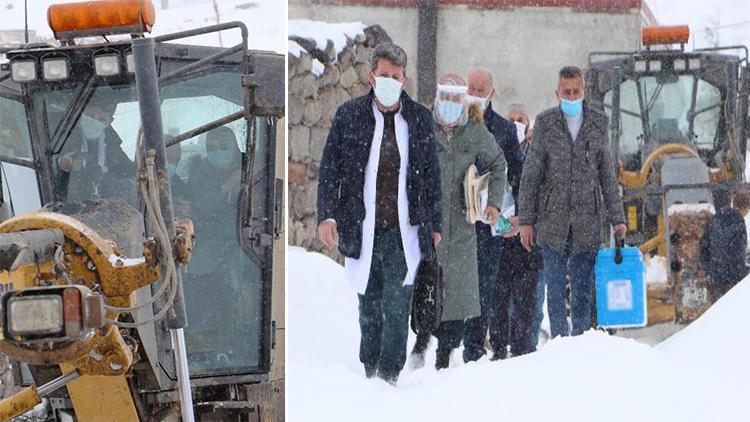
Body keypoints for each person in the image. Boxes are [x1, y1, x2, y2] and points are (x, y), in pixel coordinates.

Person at [316, 43, 441, 385]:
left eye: (396, 77)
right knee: (368, 305)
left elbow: (431, 175)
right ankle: (369, 368)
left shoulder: (418, 119)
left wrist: (435, 224)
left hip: (404, 230)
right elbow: (331, 170)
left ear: (405, 79)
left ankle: (388, 374)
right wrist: (326, 216)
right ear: (372, 76)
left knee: (398, 305)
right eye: (384, 75)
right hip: (363, 226)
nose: (390, 81)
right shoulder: (350, 116)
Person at [518, 66, 626, 338]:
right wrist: (526, 221)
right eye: (566, 92)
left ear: (584, 92)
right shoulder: (545, 123)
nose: (571, 96)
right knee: (554, 291)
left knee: (583, 291)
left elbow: (607, 177)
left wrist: (619, 219)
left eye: (576, 91)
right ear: (558, 93)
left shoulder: (599, 124)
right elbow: (531, 175)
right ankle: (557, 343)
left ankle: (580, 342)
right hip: (552, 223)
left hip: (587, 222)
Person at [426, 73, 505, 369]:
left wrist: (494, 203)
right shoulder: (426, 127)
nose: (449, 104)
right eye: (444, 96)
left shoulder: (474, 130)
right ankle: (425, 343)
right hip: (429, 225)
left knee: (458, 293)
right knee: (429, 288)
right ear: (437, 97)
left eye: (455, 97)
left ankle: (445, 353)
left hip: (461, 224)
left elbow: (498, 164)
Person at [458, 67, 524, 362]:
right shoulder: (453, 121)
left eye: (481, 89)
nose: (475, 93)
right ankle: (446, 343)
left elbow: (518, 175)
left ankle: (473, 347)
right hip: (457, 221)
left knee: (484, 285)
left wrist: (520, 214)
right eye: (471, 87)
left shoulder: (505, 130)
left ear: (491, 93)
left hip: (489, 221)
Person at [488, 104, 542, 359]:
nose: (515, 124)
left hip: (526, 237)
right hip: (498, 237)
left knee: (526, 298)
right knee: (498, 296)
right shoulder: (495, 149)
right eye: (511, 119)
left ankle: (523, 349)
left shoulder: (536, 154)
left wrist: (525, 219)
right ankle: (499, 347)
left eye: (521, 119)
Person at [57, 94, 133, 202]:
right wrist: (62, 166)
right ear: (81, 114)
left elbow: (129, 173)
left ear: (110, 122)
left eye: (101, 119)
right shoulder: (62, 139)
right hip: (66, 213)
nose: (94, 122)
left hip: (106, 211)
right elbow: (49, 174)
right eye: (90, 116)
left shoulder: (113, 146)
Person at [700, 186, 750, 303]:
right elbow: (737, 253)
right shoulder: (738, 222)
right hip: (730, 278)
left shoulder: (718, 216)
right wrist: (743, 274)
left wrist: (708, 267)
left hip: (715, 276)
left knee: (716, 310)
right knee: (730, 311)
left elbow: (703, 243)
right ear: (745, 208)